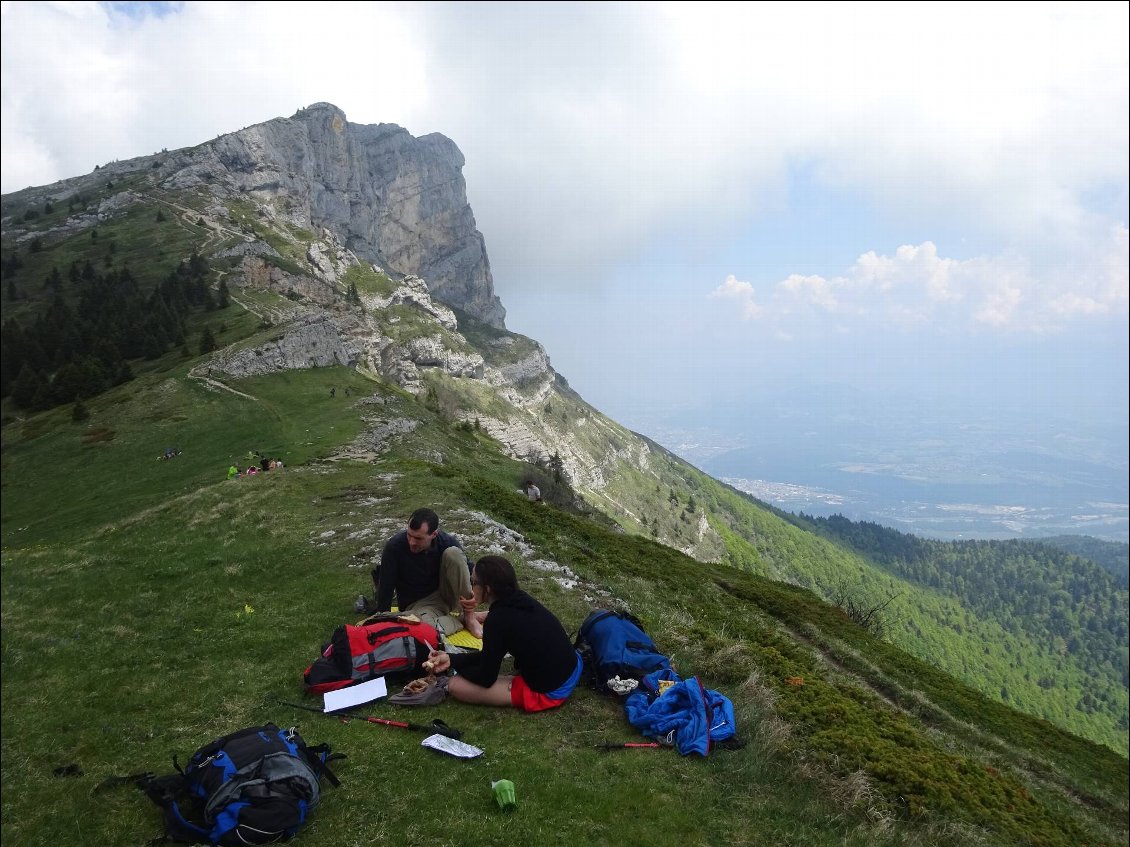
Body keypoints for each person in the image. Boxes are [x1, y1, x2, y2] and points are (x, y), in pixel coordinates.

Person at [426, 555, 582, 712]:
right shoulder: (521, 599)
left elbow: (485, 678)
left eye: (473, 583)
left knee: (455, 685)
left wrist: (455, 665)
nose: (471, 588)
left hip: (551, 691)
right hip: (573, 667)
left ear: (487, 589)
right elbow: (490, 654)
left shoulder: (497, 620)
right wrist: (452, 658)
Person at [373, 508, 482, 637]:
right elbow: (386, 586)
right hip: (422, 605)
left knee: (454, 553)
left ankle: (470, 617)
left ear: (434, 534)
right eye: (409, 535)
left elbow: (469, 569)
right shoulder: (394, 547)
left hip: (449, 594)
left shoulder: (445, 541)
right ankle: (462, 619)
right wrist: (381, 620)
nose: (411, 542)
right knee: (419, 629)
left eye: (418, 538)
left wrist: (475, 592)